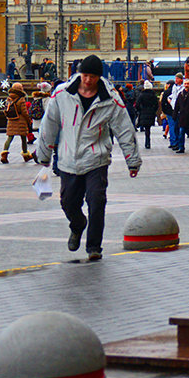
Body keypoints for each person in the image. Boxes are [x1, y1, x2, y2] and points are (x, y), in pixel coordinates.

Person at [34, 55, 141, 261]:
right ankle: (77, 225)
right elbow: (49, 125)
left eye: (92, 76)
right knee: (68, 203)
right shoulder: (61, 94)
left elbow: (125, 129)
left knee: (97, 202)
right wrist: (44, 154)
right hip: (68, 159)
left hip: (96, 159)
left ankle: (94, 247)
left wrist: (132, 160)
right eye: (85, 75)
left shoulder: (111, 99)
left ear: (99, 77)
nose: (88, 80)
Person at [0, 82, 34, 163]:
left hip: (11, 120)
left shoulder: (9, 98)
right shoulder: (21, 99)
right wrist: (29, 120)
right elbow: (24, 112)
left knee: (10, 137)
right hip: (20, 120)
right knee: (23, 138)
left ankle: (4, 154)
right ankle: (26, 155)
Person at [135, 80, 159, 149]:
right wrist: (154, 111)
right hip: (151, 112)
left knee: (146, 128)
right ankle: (148, 142)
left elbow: (137, 104)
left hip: (143, 112)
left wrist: (140, 110)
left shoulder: (141, 95)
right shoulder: (153, 95)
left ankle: (147, 143)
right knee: (148, 128)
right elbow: (156, 105)